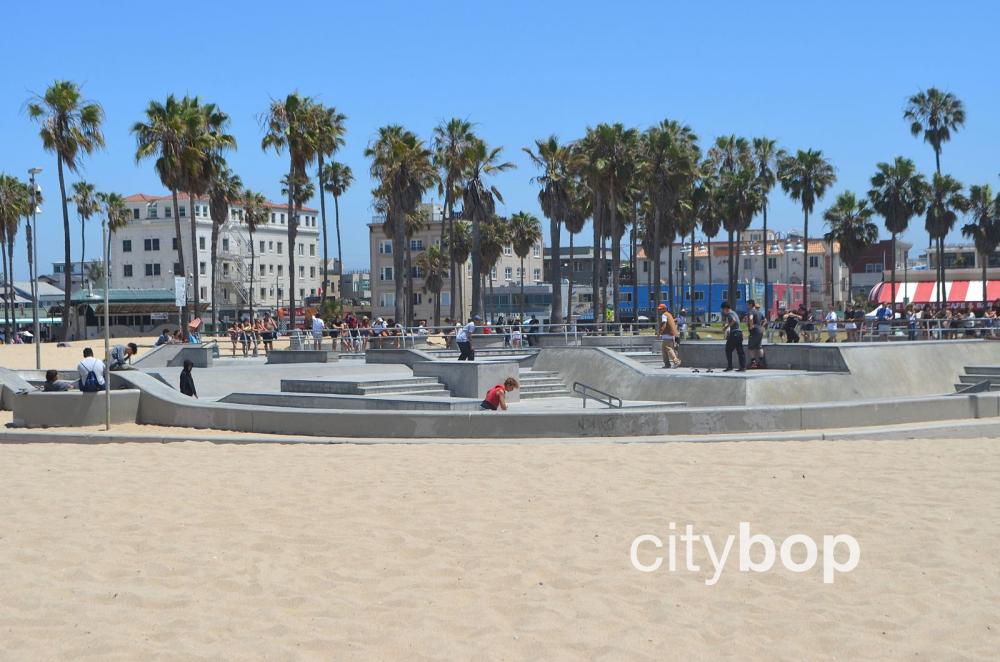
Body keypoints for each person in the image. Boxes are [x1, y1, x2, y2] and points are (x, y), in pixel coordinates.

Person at [721, 302, 745, 371]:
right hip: (739, 333)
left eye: (723, 309)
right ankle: (742, 367)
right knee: (740, 351)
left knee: (728, 349)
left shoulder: (729, 314)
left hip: (735, 333)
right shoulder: (734, 313)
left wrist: (726, 327)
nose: (723, 311)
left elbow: (733, 320)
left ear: (726, 308)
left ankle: (730, 366)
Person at [657, 303, 681, 369]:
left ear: (665, 309)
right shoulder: (669, 314)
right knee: (664, 350)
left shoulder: (664, 315)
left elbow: (664, 324)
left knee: (668, 348)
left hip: (667, 335)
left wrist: (660, 333)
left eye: (661, 309)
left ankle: (676, 361)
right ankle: (667, 364)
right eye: (659, 309)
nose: (660, 310)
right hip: (671, 335)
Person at [746, 299, 766, 369]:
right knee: (759, 346)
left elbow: (751, 318)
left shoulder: (751, 311)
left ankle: (753, 363)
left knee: (751, 347)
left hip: (754, 331)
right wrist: (761, 326)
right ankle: (761, 362)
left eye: (747, 304)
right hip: (760, 331)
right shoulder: (759, 312)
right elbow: (765, 320)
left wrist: (751, 326)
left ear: (751, 304)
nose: (747, 306)